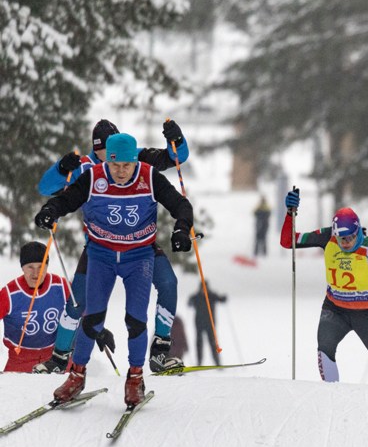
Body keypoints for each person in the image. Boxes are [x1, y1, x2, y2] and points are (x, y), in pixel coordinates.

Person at [34, 132, 194, 406]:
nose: (120, 171)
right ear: (106, 160)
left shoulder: (149, 176)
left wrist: (182, 228)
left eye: (126, 165)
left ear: (135, 162)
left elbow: (181, 204)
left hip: (139, 256)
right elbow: (68, 199)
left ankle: (135, 377)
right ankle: (77, 375)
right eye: (114, 164)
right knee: (92, 317)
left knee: (135, 319)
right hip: (101, 255)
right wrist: (51, 209)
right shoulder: (94, 177)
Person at [280, 189, 368, 384]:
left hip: (367, 315)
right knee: (324, 348)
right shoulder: (327, 237)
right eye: (340, 239)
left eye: (349, 238)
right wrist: (290, 213)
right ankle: (333, 395)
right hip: (334, 310)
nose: (345, 243)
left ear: (358, 231)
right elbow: (288, 241)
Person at [1, 242, 70, 372]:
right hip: (20, 360)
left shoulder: (60, 286)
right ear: (22, 268)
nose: (36, 273)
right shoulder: (10, 294)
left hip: (56, 358)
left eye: (41, 266)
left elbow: (83, 308)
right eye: (30, 267)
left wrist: (98, 330)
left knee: (74, 382)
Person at [187, 285, 227, 366]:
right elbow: (189, 303)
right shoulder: (196, 296)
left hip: (210, 324)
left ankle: (217, 362)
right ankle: (199, 362)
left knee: (212, 343)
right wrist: (190, 301)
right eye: (202, 288)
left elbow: (220, 299)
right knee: (199, 343)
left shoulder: (211, 295)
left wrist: (223, 298)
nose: (203, 290)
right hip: (199, 324)